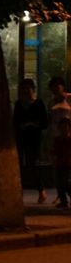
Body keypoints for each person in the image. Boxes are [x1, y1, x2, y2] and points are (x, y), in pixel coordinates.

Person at [12, 78, 48, 204]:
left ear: (33, 89)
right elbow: (15, 121)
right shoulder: (18, 104)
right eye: (23, 89)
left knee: (33, 164)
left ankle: (41, 189)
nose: (26, 91)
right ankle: (18, 192)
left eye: (28, 88)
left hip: (33, 139)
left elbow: (44, 122)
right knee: (19, 165)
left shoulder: (38, 103)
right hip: (21, 138)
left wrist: (32, 124)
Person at [49, 78, 71, 207]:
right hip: (56, 135)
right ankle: (62, 199)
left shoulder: (69, 98)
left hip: (67, 134)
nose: (56, 89)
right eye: (53, 87)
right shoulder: (51, 102)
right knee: (59, 176)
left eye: (58, 86)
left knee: (66, 178)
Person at [53, 117, 71, 210]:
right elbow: (54, 151)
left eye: (66, 127)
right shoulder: (57, 140)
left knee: (66, 183)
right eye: (62, 127)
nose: (64, 129)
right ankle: (63, 202)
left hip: (68, 164)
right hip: (59, 164)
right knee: (59, 184)